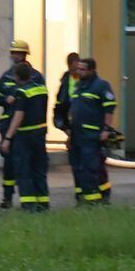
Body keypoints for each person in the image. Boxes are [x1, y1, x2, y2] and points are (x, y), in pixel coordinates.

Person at [0, 39, 45, 208]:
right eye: (14, 52)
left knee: (28, 165)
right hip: (9, 124)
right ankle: (7, 197)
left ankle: (31, 201)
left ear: (25, 55)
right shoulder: (6, 76)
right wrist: (5, 99)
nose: (16, 56)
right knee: (9, 164)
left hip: (26, 127)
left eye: (19, 53)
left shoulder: (36, 76)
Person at [0, 62, 50, 212]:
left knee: (24, 170)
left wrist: (8, 137)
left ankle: (29, 205)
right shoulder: (42, 89)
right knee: (39, 170)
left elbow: (19, 116)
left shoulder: (21, 93)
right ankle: (43, 203)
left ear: (16, 76)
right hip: (40, 135)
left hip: (25, 136)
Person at [70, 57, 117, 204]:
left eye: (83, 69)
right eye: (78, 69)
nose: (79, 72)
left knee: (89, 167)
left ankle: (93, 201)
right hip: (77, 135)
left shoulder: (101, 86)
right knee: (78, 168)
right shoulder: (78, 86)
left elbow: (109, 109)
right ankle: (86, 196)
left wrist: (107, 129)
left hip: (92, 135)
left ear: (92, 70)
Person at [53, 52, 83, 202]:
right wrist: (65, 128)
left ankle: (94, 194)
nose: (77, 71)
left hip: (85, 128)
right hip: (73, 128)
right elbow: (60, 107)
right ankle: (80, 195)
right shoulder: (66, 82)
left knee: (88, 164)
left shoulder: (87, 82)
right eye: (75, 67)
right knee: (76, 165)